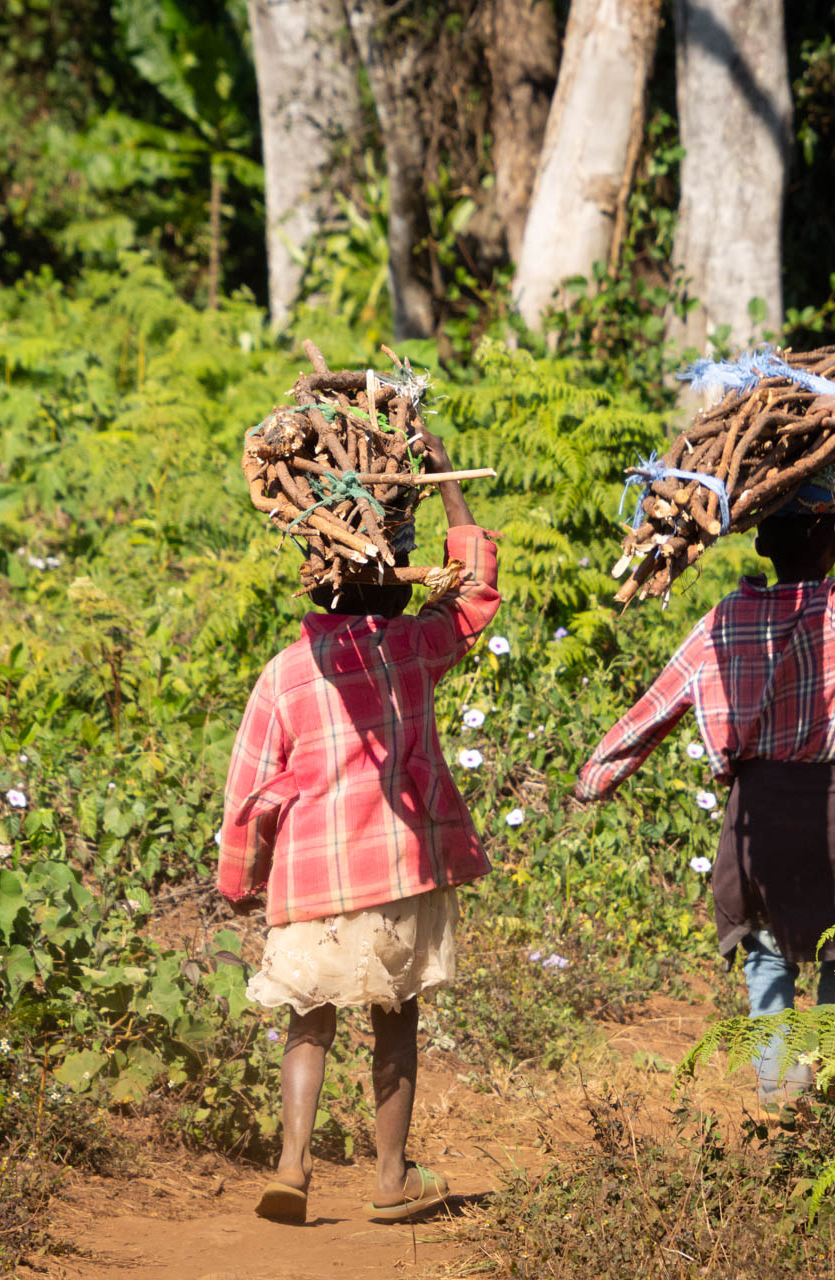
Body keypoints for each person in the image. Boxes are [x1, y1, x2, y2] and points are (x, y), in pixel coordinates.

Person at [574, 399, 835, 1104]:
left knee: (766, 954)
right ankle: (832, 1091)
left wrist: (595, 779)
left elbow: (653, 710)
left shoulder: (724, 620)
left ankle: (779, 1093)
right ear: (833, 539)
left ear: (762, 544)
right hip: (832, 812)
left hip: (754, 815)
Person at [216, 427, 497, 1225]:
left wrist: (240, 882)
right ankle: (391, 1177)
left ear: (318, 583)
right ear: (400, 582)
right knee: (395, 1018)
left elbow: (250, 795)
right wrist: (445, 476)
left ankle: (292, 1166)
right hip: (399, 873)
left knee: (308, 1023)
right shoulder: (412, 648)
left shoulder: (285, 675)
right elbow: (475, 592)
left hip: (310, 881)